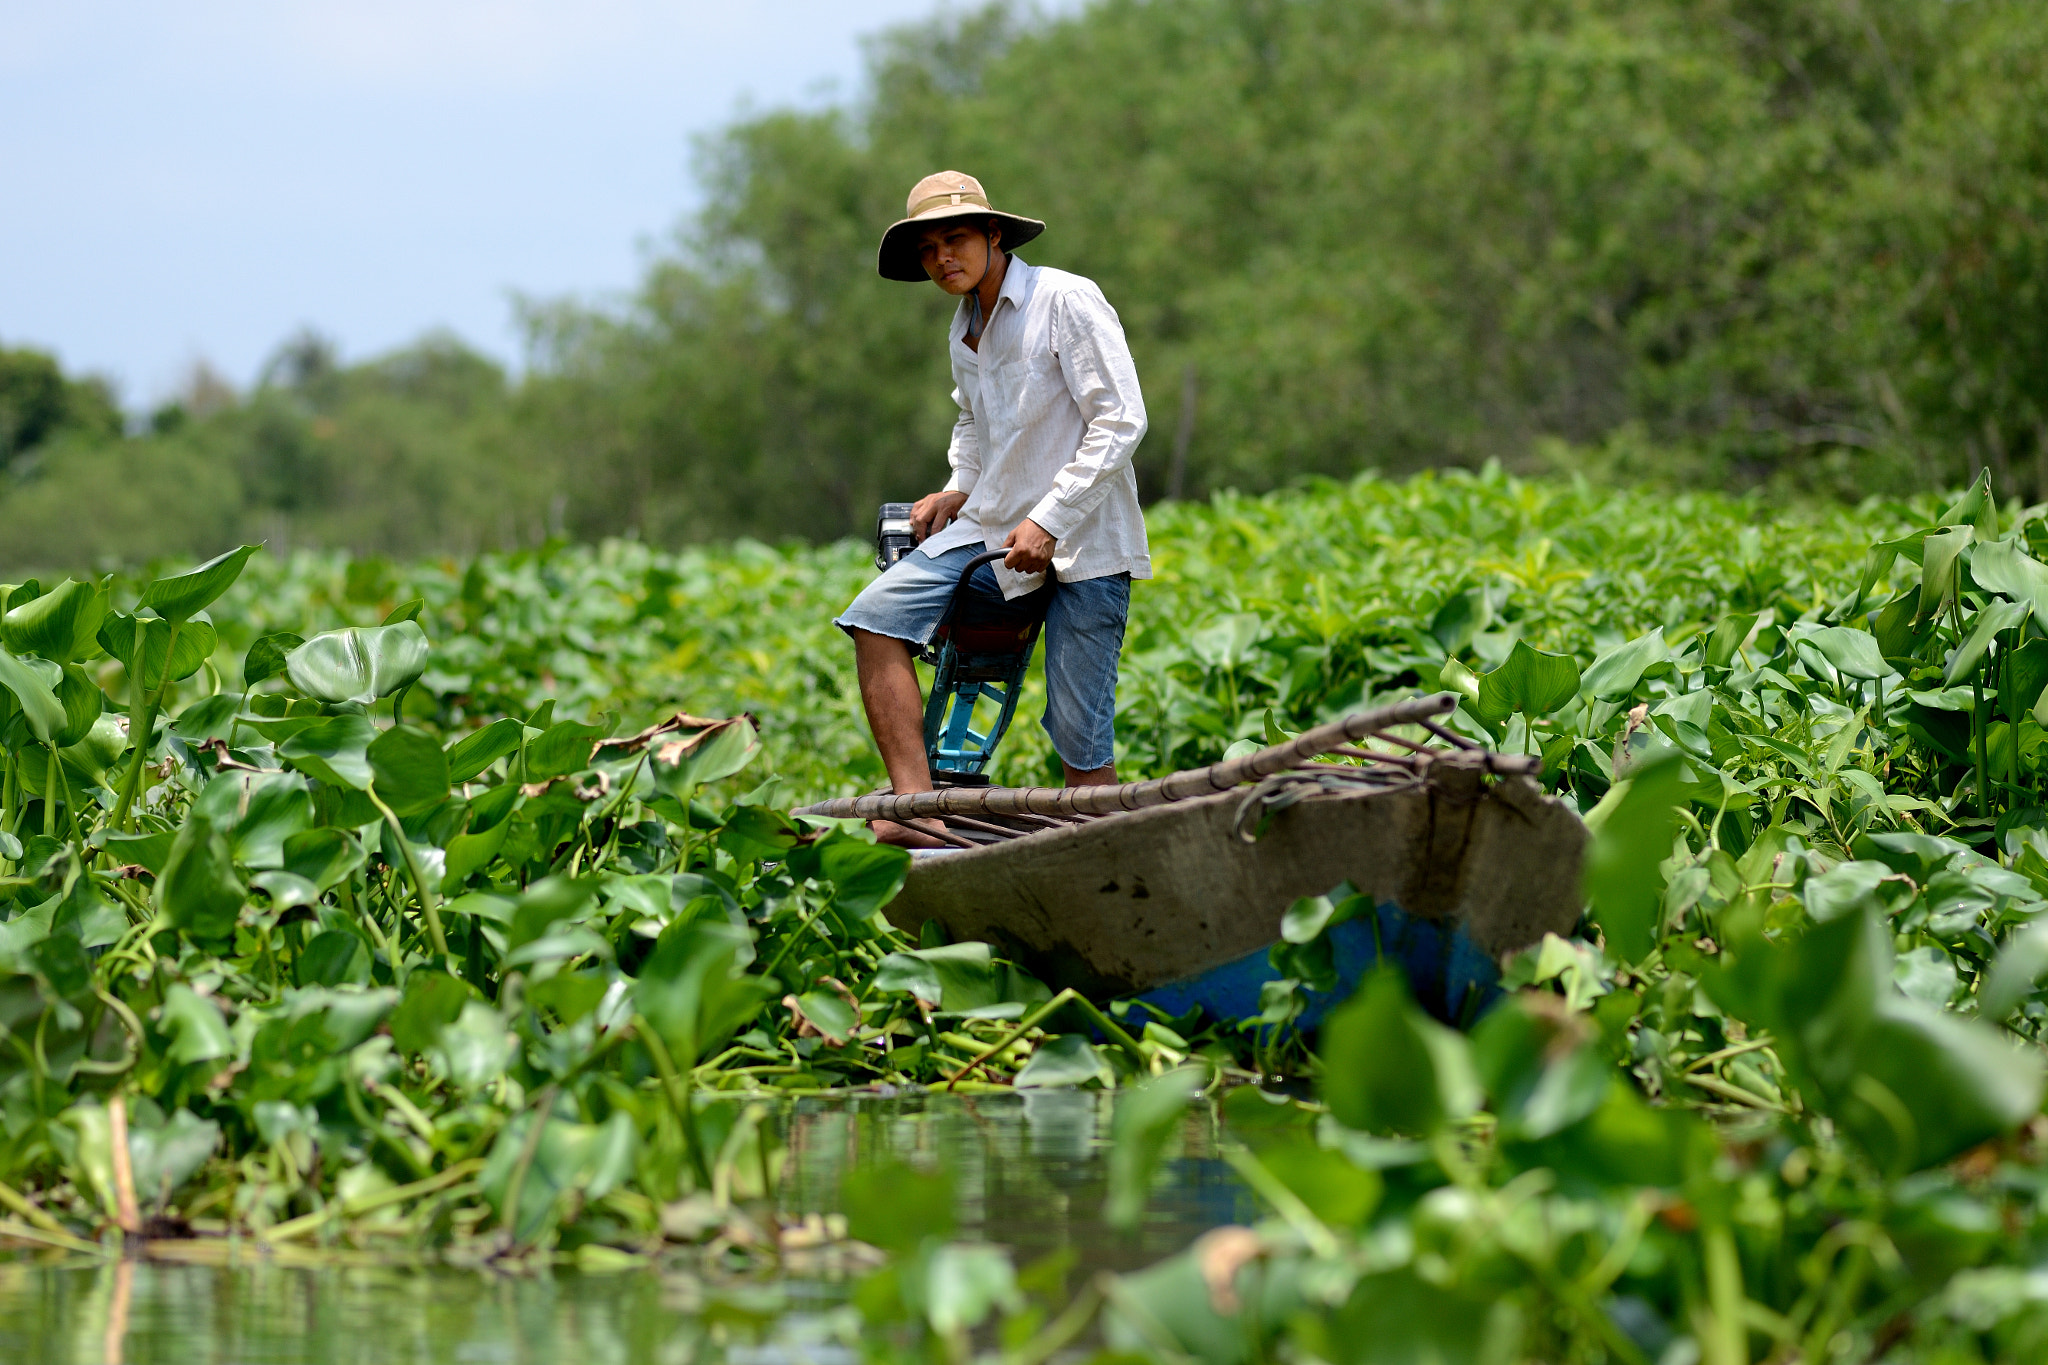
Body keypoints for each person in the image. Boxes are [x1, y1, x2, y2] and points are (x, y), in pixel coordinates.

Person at [834, 171, 1150, 847]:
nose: (943, 257)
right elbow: (974, 423)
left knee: (1076, 731)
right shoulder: (964, 326)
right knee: (875, 620)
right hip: (991, 521)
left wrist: (1049, 520)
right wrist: (957, 483)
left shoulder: (1064, 299)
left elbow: (1120, 421)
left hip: (1084, 540)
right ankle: (916, 807)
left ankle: (1103, 853)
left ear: (993, 234)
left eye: (956, 239)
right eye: (929, 250)